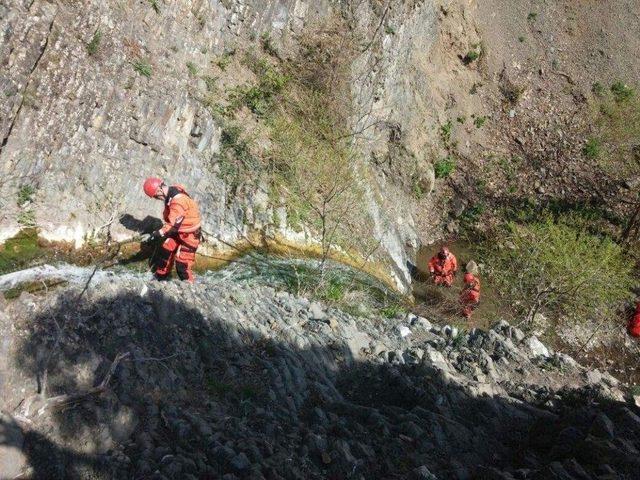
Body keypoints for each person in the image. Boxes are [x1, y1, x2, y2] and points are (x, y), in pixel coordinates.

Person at [143, 177, 202, 283]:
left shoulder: (177, 201)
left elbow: (171, 224)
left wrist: (157, 234)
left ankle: (190, 287)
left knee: (182, 264)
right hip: (179, 230)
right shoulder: (171, 192)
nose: (157, 199)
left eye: (156, 196)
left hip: (189, 234)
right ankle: (160, 278)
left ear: (159, 190)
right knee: (165, 249)